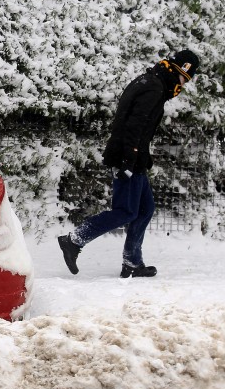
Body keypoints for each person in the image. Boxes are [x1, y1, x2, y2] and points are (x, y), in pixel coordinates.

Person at [58, 49, 200, 278]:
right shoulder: (153, 87)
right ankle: (73, 240)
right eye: (185, 78)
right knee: (125, 211)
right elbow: (133, 125)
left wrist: (141, 154)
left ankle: (132, 262)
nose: (183, 85)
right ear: (178, 71)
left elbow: (137, 126)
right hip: (127, 157)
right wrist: (129, 158)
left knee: (145, 209)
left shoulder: (152, 83)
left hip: (134, 157)